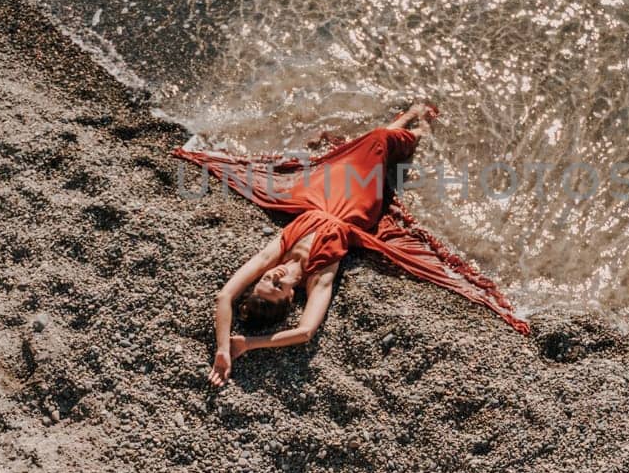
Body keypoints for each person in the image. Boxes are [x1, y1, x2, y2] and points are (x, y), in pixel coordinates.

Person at [173, 102, 528, 388]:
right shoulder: (318, 277)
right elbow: (306, 332)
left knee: (366, 145)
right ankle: (416, 128)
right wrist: (249, 344)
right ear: (289, 297)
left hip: (322, 193)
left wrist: (223, 348)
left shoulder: (273, 255)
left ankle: (408, 122)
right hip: (359, 204)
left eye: (266, 281)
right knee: (379, 142)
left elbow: (224, 297)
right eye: (277, 287)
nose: (274, 277)